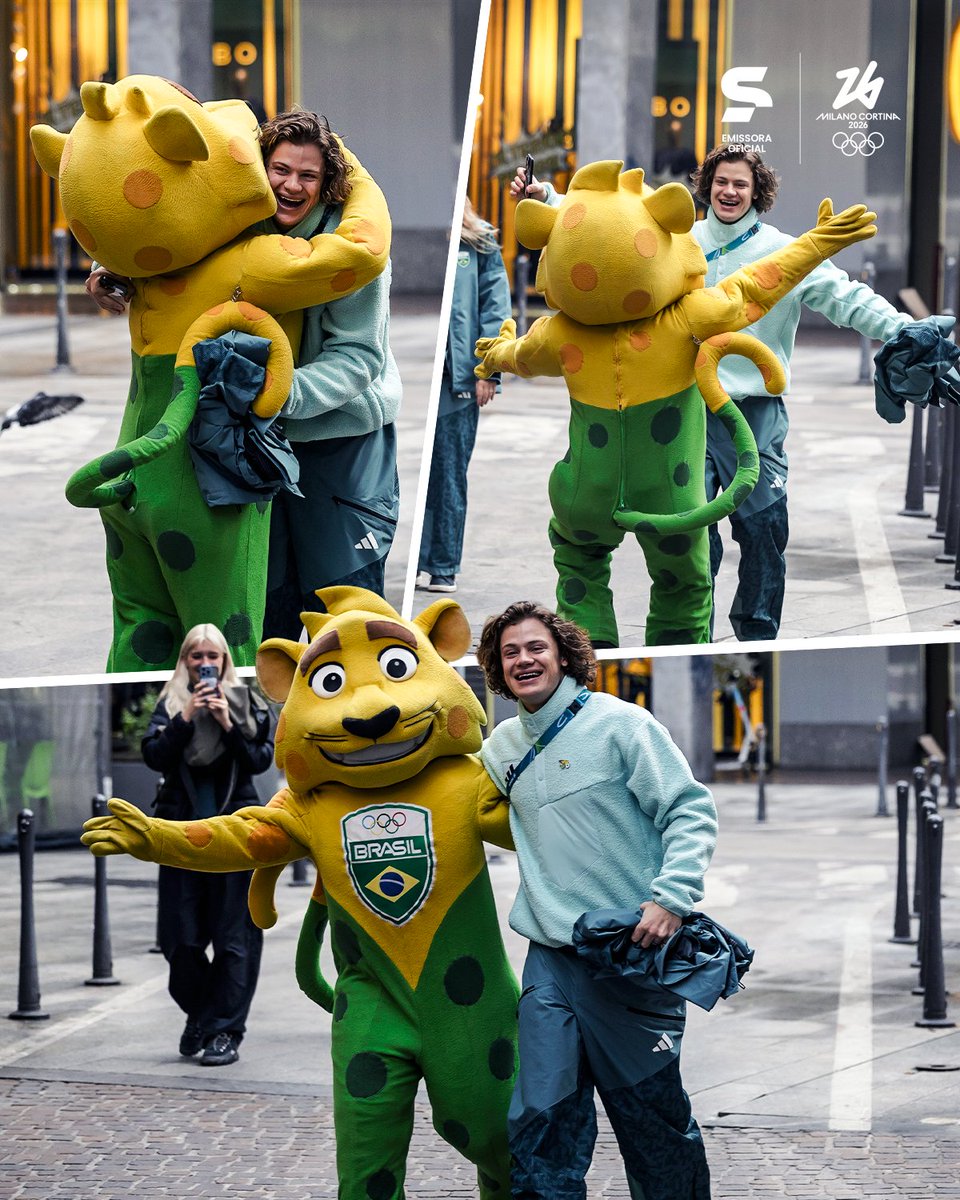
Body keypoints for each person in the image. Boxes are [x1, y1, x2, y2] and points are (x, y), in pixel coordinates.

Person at [86, 107, 402, 641]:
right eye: (281, 170)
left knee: (344, 609)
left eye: (308, 175)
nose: (292, 185)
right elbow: (174, 236)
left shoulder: (354, 248)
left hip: (339, 443)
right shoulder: (238, 222)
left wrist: (279, 392)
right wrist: (112, 272)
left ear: (328, 183)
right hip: (251, 442)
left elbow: (359, 358)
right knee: (264, 605)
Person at [475, 600, 717, 1198]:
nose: (524, 660)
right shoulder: (501, 747)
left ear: (564, 655)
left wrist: (672, 899)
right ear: (498, 668)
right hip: (551, 959)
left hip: (631, 954)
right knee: (540, 1119)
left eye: (536, 647)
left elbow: (690, 810)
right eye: (510, 652)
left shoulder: (622, 725)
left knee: (654, 1125)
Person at [688, 144, 909, 640]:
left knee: (764, 531)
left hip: (756, 414)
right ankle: (690, 634)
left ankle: (758, 634)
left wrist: (905, 330)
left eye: (740, 184)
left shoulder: (785, 250)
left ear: (757, 192)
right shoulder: (681, 243)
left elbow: (845, 297)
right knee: (691, 538)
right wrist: (547, 197)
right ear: (707, 186)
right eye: (721, 182)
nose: (729, 192)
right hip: (688, 411)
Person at [143, 624, 274, 1066]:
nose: (204, 664)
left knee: (235, 941)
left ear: (224, 661)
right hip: (180, 835)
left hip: (235, 835)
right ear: (184, 660)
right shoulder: (170, 702)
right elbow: (154, 756)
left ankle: (224, 1033)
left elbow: (259, 759)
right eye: (195, 656)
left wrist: (226, 722)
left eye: (212, 656)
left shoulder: (244, 702)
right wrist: (185, 718)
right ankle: (201, 1013)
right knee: (178, 941)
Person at [417, 197, 511, 593]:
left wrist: (488, 370)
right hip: (424, 378)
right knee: (421, 473)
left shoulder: (480, 242)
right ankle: (418, 561)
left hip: (458, 380)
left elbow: (495, 310)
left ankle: (442, 566)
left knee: (449, 473)